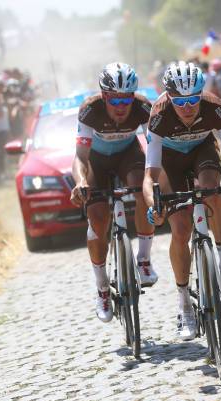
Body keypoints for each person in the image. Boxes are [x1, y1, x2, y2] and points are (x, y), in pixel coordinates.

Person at [143, 61, 221, 340]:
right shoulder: (158, 116)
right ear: (169, 97)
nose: (189, 106)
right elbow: (150, 175)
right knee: (180, 229)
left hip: (202, 149)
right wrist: (154, 205)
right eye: (181, 101)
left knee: (211, 190)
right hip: (170, 160)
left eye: (194, 98)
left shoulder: (215, 108)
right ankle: (184, 305)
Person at [70, 63, 158, 323]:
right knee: (97, 217)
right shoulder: (90, 110)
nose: (121, 105)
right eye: (114, 99)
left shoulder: (143, 107)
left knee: (144, 191)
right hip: (96, 161)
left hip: (127, 156)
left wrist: (156, 177)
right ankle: (102, 288)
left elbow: (154, 148)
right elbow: (80, 156)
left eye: (126, 98)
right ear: (104, 96)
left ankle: (143, 259)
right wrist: (81, 182)